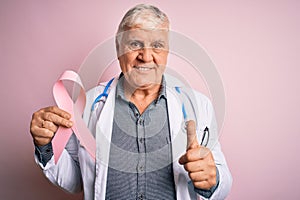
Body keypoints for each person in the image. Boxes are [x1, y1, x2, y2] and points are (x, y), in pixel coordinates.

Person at [30, 4, 232, 200]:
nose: (146, 56)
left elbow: (222, 183)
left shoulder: (198, 105)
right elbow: (75, 181)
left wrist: (212, 180)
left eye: (157, 45)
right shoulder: (89, 104)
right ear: (118, 49)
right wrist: (45, 145)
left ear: (167, 52)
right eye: (135, 44)